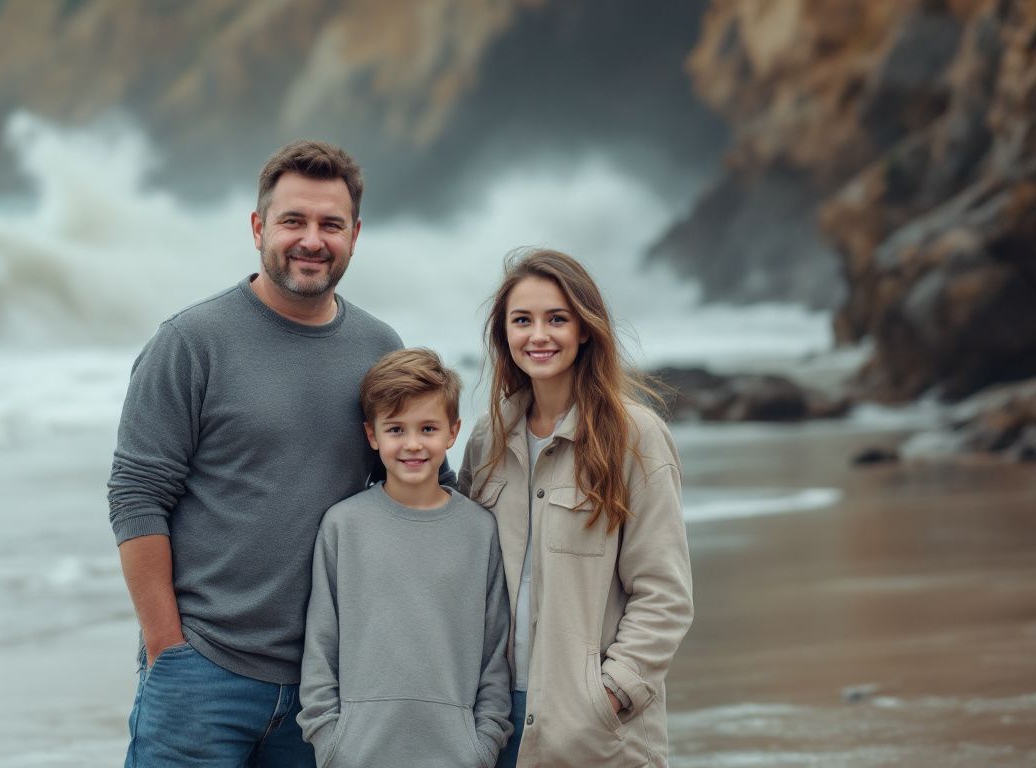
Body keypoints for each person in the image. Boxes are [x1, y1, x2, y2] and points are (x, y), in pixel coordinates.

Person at [108, 140, 424, 767]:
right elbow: (137, 495)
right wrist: (167, 648)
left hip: (326, 686)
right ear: (258, 228)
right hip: (203, 673)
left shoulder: (379, 348)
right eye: (293, 221)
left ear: (355, 235)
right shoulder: (191, 342)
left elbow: (420, 490)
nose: (312, 240)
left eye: (330, 224)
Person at [458, 249, 693, 767]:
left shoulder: (635, 438)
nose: (538, 335)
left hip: (592, 731)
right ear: (504, 335)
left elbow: (665, 594)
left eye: (557, 319)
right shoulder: (487, 439)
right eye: (522, 320)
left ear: (585, 329)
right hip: (494, 722)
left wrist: (608, 696)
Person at [297, 348, 513, 768]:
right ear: (372, 435)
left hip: (458, 755)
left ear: (452, 433)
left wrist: (482, 745)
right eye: (396, 429)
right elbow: (320, 645)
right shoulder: (343, 525)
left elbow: (494, 651)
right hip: (357, 754)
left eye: (427, 428)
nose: (412, 444)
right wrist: (331, 741)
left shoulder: (479, 530)